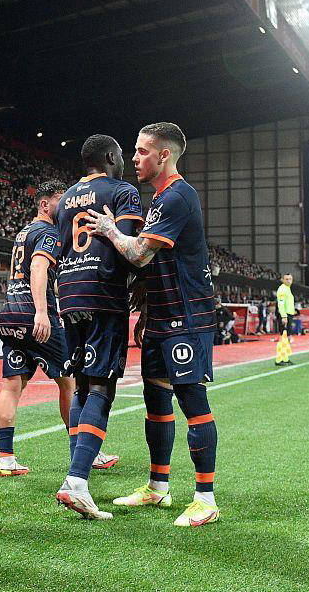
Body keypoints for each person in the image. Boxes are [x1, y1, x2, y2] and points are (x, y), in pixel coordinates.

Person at [87, 122, 221, 528]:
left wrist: (109, 230)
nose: (134, 158)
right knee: (156, 400)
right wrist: (146, 310)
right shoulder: (161, 198)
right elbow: (156, 265)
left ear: (164, 155)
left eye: (142, 151)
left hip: (187, 316)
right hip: (162, 315)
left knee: (191, 399)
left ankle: (205, 498)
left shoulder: (178, 196)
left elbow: (141, 255)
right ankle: (158, 487)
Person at [51, 134, 143, 520]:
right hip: (103, 292)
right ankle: (76, 481)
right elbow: (130, 246)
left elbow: (62, 246)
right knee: (102, 386)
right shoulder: (122, 191)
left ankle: (76, 473)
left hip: (70, 292)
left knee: (82, 384)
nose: (124, 161)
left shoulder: (66, 198)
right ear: (109, 156)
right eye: (121, 155)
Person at [0, 179, 75, 477]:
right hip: (34, 314)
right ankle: (84, 452)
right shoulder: (48, 232)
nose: (65, 206)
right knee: (69, 382)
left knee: (12, 385)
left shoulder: (24, 231)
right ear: (44, 203)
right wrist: (41, 312)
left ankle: (5, 458)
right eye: (60, 199)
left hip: (10, 314)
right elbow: (38, 267)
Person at [275, 274, 296, 366]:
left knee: (286, 338)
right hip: (285, 315)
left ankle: (285, 358)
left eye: (290, 279)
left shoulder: (287, 289)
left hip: (288, 315)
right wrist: (284, 316)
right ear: (282, 280)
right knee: (283, 337)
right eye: (286, 279)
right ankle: (279, 359)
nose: (289, 280)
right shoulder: (282, 289)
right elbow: (281, 304)